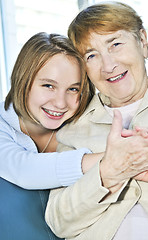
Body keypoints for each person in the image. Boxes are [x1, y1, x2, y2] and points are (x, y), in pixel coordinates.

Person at [45, 2, 148, 240]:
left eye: (115, 44)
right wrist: (108, 172)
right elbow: (58, 221)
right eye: (91, 55)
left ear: (143, 42)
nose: (108, 66)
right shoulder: (72, 130)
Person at [0, 31, 105, 240]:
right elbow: (22, 169)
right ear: (24, 80)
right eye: (48, 85)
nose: (60, 103)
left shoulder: (87, 125)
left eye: (73, 89)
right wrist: (112, 161)